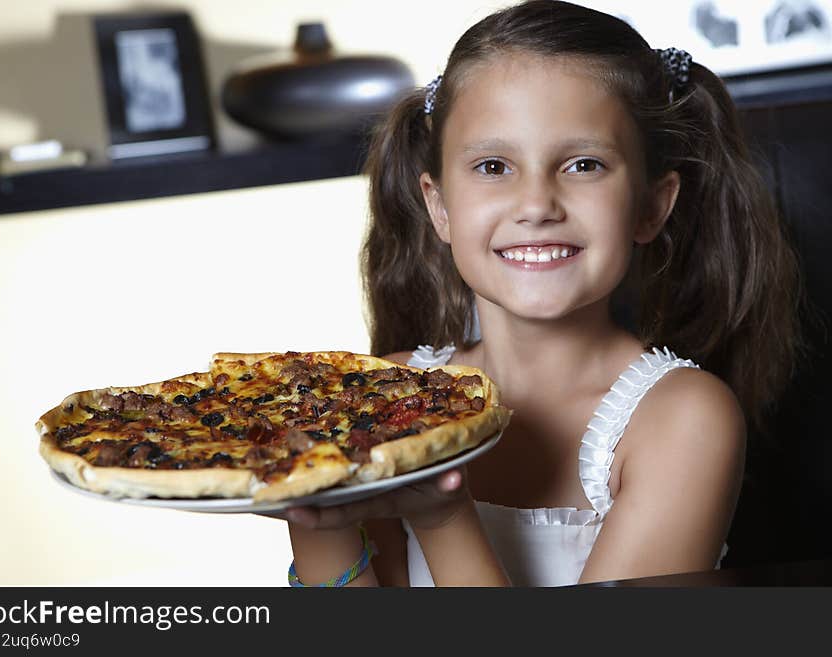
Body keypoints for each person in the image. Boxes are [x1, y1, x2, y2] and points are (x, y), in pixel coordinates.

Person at [283, 0, 801, 586]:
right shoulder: (389, 391)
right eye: (493, 166)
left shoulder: (682, 422)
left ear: (653, 205)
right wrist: (311, 517)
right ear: (440, 205)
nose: (536, 206)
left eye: (583, 164)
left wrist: (442, 511)